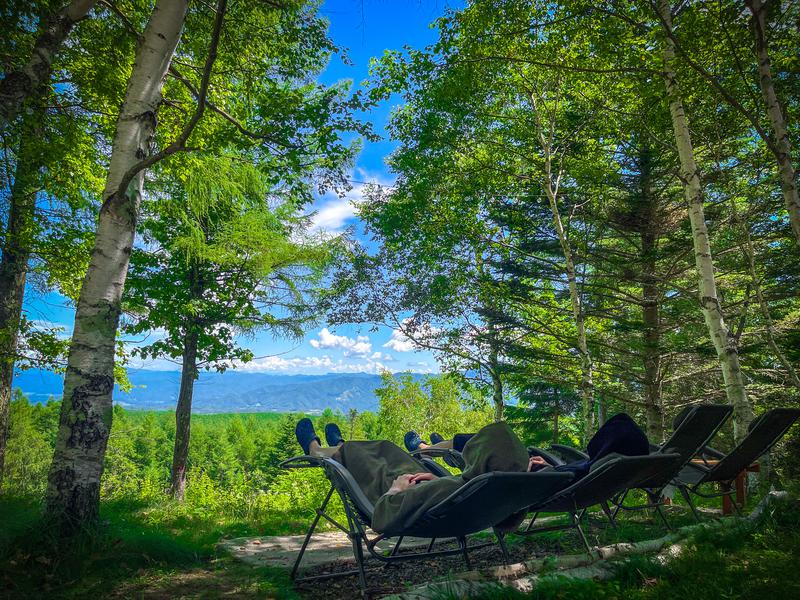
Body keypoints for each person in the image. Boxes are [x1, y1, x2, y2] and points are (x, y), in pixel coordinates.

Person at [294, 418, 531, 535]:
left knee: (364, 454)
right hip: (440, 498)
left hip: (392, 493)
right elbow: (506, 523)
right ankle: (342, 447)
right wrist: (439, 481)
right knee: (386, 447)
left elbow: (381, 519)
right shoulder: (506, 487)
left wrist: (396, 489)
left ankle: (318, 450)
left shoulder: (462, 488)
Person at [405, 412, 650, 479]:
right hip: (541, 475)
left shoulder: (598, 466)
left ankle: (427, 448)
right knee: (480, 441)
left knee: (491, 435)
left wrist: (543, 469)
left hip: (523, 479)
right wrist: (549, 465)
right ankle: (447, 450)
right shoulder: (611, 467)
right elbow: (579, 470)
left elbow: (569, 475)